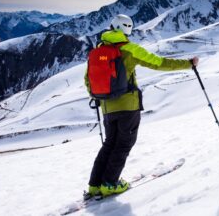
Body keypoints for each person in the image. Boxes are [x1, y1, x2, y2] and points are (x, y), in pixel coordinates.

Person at [84, 14, 199, 198]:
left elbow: (88, 80)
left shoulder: (97, 51)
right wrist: (187, 64)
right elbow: (159, 63)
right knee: (123, 144)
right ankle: (110, 184)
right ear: (128, 30)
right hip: (128, 107)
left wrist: (101, 97)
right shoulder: (130, 49)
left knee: (109, 144)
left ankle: (94, 185)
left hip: (106, 107)